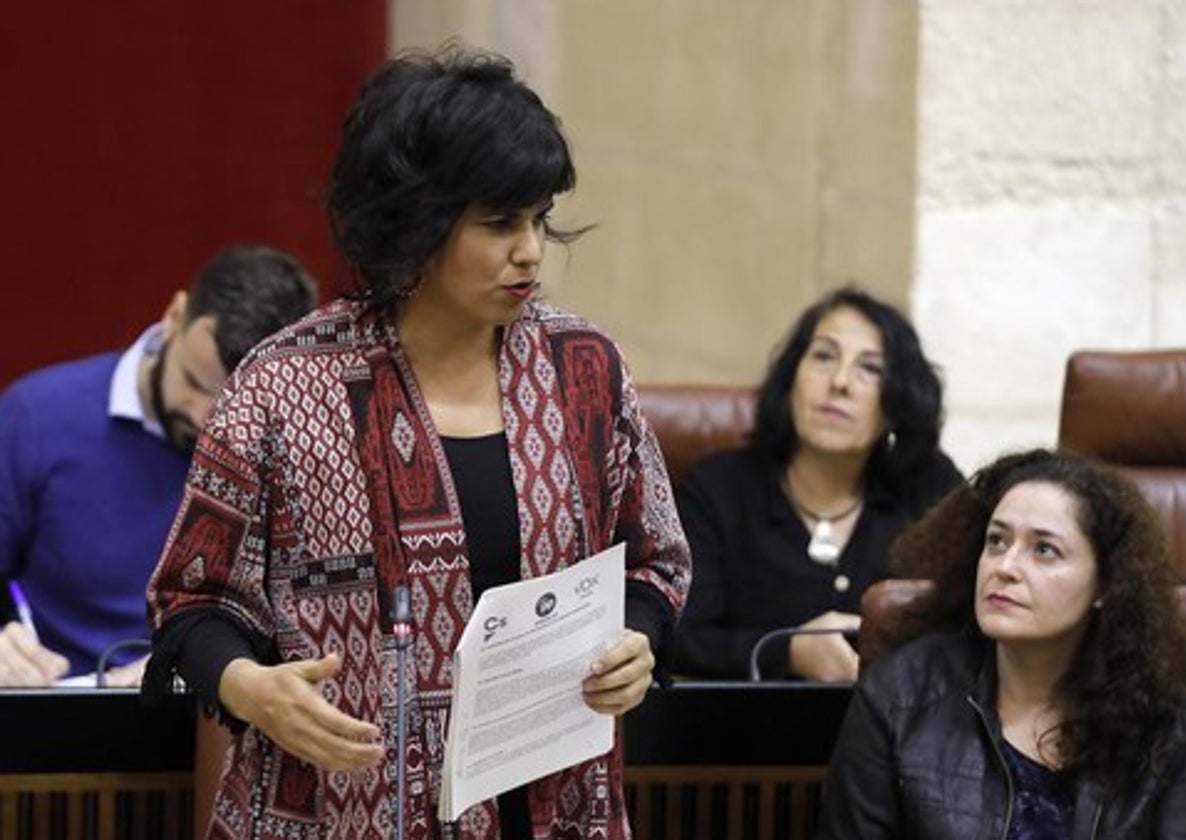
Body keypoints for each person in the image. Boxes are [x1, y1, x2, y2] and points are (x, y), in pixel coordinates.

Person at [143, 45, 691, 840]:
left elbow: (653, 562)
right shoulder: (285, 384)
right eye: (500, 223)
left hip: (553, 807)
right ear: (417, 223)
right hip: (337, 811)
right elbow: (190, 598)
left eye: (539, 219)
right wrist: (248, 688)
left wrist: (639, 638)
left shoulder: (585, 370)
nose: (532, 250)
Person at [818, 448, 1186, 838]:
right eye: (997, 541)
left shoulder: (1167, 728)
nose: (1005, 567)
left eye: (1044, 550)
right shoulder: (899, 695)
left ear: (1105, 585)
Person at [0, 245, 318, 687]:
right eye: (192, 382)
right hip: (59, 708)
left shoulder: (298, 455)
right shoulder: (37, 415)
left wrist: (201, 662)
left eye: (233, 400)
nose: (206, 417)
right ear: (174, 315)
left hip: (219, 719)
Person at [667, 287, 962, 681]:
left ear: (898, 401)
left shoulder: (929, 487)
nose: (840, 382)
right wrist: (787, 653)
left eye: (870, 369)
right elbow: (680, 640)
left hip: (897, 733)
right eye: (824, 356)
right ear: (791, 379)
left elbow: (968, 623)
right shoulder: (718, 488)